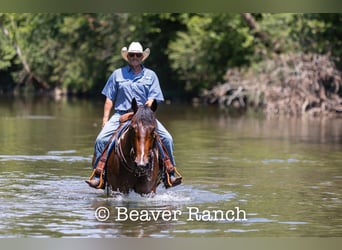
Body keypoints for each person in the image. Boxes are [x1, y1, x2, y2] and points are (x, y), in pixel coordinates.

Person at [86, 41, 182, 189]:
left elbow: (153, 98)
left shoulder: (151, 75)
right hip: (122, 114)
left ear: (142, 56)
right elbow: (109, 98)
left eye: (138, 55)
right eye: (132, 55)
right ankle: (99, 175)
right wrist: (105, 119)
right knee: (100, 140)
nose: (135, 57)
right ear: (127, 56)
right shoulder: (117, 74)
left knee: (167, 139)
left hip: (145, 116)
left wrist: (143, 109)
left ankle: (170, 172)